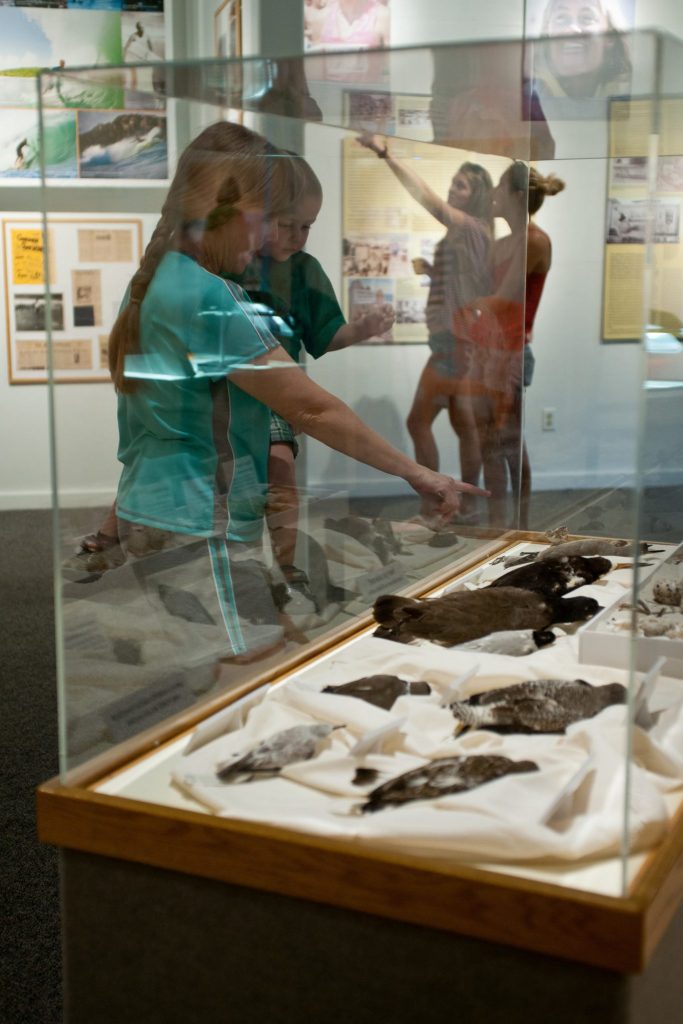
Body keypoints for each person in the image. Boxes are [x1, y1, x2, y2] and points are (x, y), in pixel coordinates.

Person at [107, 121, 486, 662]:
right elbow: (311, 408)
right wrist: (420, 473)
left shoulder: (157, 280)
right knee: (240, 672)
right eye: (264, 221)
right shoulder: (209, 296)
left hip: (162, 511)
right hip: (198, 520)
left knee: (222, 660)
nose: (266, 240)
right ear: (226, 210)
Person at [232, 155, 394, 611]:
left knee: (279, 468)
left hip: (275, 393)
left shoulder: (304, 269)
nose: (297, 237)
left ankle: (286, 568)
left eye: (307, 226)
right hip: (223, 392)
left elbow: (326, 334)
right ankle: (239, 568)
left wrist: (362, 329)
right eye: (286, 224)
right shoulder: (229, 262)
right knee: (231, 482)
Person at [357, 131, 493, 523]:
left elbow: (424, 198)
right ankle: (465, 503)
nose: (453, 188)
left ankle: (442, 500)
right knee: (462, 423)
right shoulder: (471, 232)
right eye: (453, 181)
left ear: (476, 194)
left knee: (420, 421)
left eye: (462, 185)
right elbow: (469, 284)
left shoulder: (468, 227)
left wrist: (387, 155)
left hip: (453, 341)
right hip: (456, 338)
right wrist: (435, 272)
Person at [469, 160, 565, 528]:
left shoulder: (535, 240)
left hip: (509, 351)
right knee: (489, 439)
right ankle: (498, 525)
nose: (493, 194)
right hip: (489, 348)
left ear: (516, 194)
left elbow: (503, 296)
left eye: (499, 187)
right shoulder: (506, 242)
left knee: (509, 438)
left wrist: (465, 306)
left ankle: (521, 527)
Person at [532, 0, 632, 113]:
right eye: (561, 18)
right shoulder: (528, 98)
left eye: (587, 18)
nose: (572, 29)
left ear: (610, 37)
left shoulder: (632, 96)